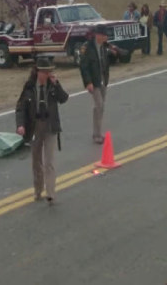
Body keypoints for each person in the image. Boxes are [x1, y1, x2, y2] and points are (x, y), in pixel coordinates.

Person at [15, 58, 68, 205]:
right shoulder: (29, 87)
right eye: (45, 72)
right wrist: (21, 125)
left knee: (49, 161)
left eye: (49, 71)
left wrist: (57, 84)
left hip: (50, 126)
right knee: (36, 161)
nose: (48, 74)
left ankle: (50, 193)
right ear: (38, 72)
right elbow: (20, 108)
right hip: (35, 126)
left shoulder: (53, 86)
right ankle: (38, 189)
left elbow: (64, 98)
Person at [80, 25, 115, 144]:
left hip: (103, 80)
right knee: (99, 105)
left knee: (100, 107)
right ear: (98, 35)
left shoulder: (104, 47)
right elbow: (84, 66)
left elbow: (106, 63)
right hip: (94, 82)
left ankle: (98, 132)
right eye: (104, 36)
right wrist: (88, 82)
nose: (106, 38)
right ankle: (97, 135)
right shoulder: (88, 47)